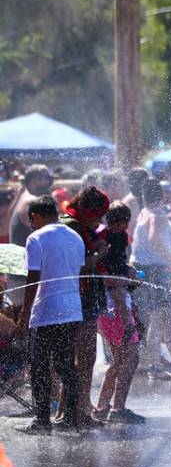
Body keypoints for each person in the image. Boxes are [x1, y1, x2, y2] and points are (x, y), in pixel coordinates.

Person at [15, 196, 85, 434]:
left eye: (31, 220)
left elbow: (32, 279)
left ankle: (42, 421)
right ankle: (71, 418)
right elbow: (80, 272)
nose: (31, 225)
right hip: (72, 309)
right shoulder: (75, 237)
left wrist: (24, 316)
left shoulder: (36, 238)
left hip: (47, 310)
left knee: (39, 366)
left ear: (36, 216)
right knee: (66, 365)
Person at [59, 186, 111, 426]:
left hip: (73, 298)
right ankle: (79, 412)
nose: (100, 221)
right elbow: (80, 265)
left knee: (75, 358)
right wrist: (100, 253)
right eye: (98, 216)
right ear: (87, 211)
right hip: (81, 299)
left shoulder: (68, 221)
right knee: (86, 357)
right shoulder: (75, 228)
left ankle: (69, 410)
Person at [94, 202, 145, 424]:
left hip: (110, 308)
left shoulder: (110, 236)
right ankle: (118, 409)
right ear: (123, 221)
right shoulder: (109, 239)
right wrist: (128, 319)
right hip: (115, 308)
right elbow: (109, 281)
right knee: (129, 359)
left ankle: (102, 407)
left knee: (119, 360)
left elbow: (115, 270)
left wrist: (129, 271)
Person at [132, 178, 171, 368]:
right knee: (166, 317)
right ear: (162, 195)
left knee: (156, 317)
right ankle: (165, 363)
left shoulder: (143, 213)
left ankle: (157, 362)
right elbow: (154, 238)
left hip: (142, 271)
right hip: (157, 271)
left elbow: (149, 238)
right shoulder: (158, 215)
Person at [9, 164, 53, 247]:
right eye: (47, 178)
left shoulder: (24, 195)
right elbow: (48, 233)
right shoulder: (32, 202)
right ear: (33, 182)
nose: (49, 182)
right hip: (25, 256)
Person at [122, 168, 149, 239]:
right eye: (146, 181)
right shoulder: (131, 201)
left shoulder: (136, 198)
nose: (149, 186)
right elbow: (132, 229)